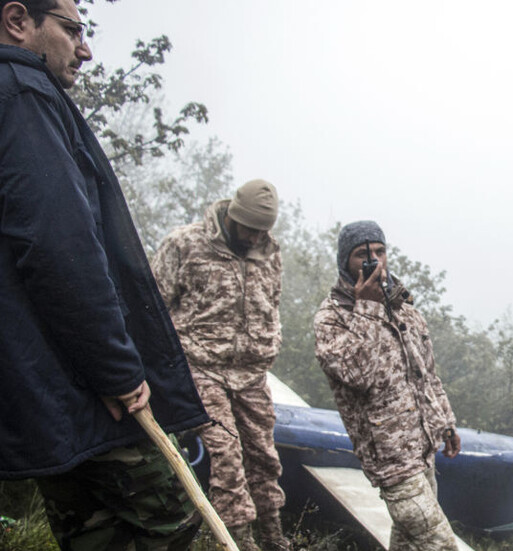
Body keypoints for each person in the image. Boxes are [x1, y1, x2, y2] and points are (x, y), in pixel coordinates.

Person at [0, 1, 210, 549]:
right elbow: (57, 245)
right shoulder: (24, 95)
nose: (86, 49)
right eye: (72, 30)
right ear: (18, 21)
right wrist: (116, 368)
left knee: (94, 533)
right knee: (167, 524)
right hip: (83, 383)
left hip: (43, 382)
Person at [151, 179, 290, 551]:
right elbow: (152, 307)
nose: (257, 237)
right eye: (251, 229)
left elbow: (271, 305)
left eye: (264, 231)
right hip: (201, 368)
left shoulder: (270, 253)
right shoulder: (185, 244)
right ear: (232, 216)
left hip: (252, 375)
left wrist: (269, 341)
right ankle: (237, 542)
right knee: (226, 457)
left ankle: (273, 538)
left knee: (264, 458)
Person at [314, 220, 461, 551]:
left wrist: (446, 423)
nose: (374, 261)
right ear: (345, 262)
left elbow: (426, 375)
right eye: (361, 255)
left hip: (423, 447)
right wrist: (365, 308)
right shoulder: (332, 317)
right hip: (390, 457)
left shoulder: (403, 308)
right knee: (439, 545)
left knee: (409, 543)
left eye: (380, 252)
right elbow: (357, 375)